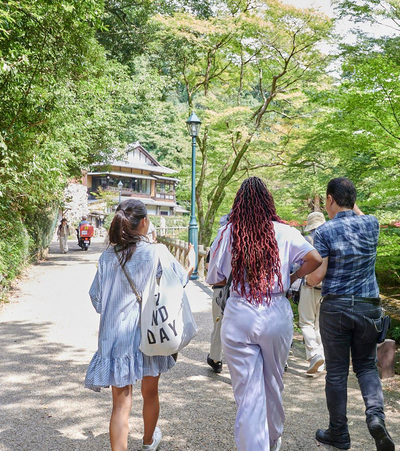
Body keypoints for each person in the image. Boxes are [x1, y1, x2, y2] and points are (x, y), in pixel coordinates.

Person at [206, 177, 322, 451]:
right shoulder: (285, 231)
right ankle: (273, 438)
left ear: (238, 204)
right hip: (275, 312)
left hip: (239, 313)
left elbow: (216, 278)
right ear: (268, 202)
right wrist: (290, 276)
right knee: (273, 381)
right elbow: (315, 258)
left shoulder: (227, 232)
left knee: (248, 393)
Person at [84, 199, 195, 451]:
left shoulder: (106, 257)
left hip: (116, 339)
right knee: (150, 393)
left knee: (120, 406)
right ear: (144, 222)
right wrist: (190, 263)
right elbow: (177, 285)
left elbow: (97, 299)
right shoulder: (157, 252)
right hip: (149, 335)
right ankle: (147, 443)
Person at [307, 177, 395, 451]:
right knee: (366, 366)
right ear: (354, 200)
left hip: (337, 308)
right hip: (369, 307)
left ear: (330, 200)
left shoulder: (324, 231)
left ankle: (339, 434)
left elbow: (317, 275)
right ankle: (376, 418)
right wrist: (350, 202)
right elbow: (359, 213)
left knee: (335, 372)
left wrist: (306, 280)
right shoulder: (372, 223)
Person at [299, 211, 327, 375]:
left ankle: (314, 354)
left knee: (306, 322)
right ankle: (322, 360)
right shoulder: (331, 237)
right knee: (319, 326)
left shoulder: (306, 240)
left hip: (308, 285)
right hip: (327, 288)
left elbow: (298, 264)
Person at [207, 213, 230, 374]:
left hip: (220, 290)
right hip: (240, 291)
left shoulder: (218, 240)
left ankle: (216, 359)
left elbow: (210, 268)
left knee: (219, 325)